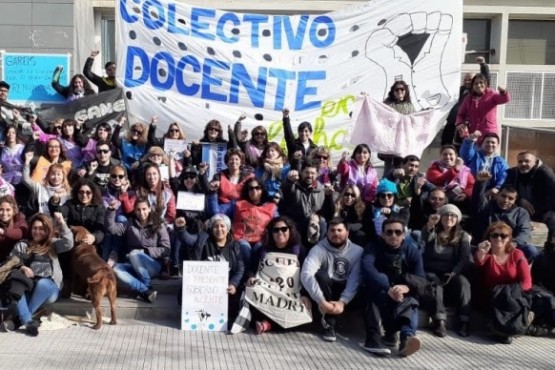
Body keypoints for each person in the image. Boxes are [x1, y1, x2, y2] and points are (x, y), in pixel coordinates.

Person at [361, 218, 424, 357]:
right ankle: (380, 337)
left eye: (397, 232)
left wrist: (406, 287)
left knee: (412, 301)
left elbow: (421, 279)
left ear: (404, 234)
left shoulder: (412, 251)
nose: (393, 235)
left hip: (402, 295)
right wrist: (388, 288)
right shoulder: (373, 247)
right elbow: (367, 268)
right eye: (389, 232)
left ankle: (406, 339)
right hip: (380, 292)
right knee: (372, 288)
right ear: (382, 234)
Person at [4, 213, 73, 336]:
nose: (37, 231)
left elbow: (68, 243)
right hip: (28, 289)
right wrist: (22, 267)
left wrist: (62, 222)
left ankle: (19, 320)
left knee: (43, 283)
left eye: (41, 229)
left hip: (49, 290)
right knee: (16, 289)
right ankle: (28, 322)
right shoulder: (22, 245)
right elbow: (10, 262)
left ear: (47, 230)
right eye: (35, 228)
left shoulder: (53, 244)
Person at [300, 217, 363, 342]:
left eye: (340, 230)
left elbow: (355, 279)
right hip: (325, 291)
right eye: (332, 230)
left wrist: (342, 302)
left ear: (347, 233)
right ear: (327, 232)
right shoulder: (318, 249)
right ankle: (328, 322)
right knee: (320, 275)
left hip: (347, 292)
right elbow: (306, 274)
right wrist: (321, 301)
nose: (336, 234)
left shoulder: (358, 251)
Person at [175, 214, 245, 321]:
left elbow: (240, 269)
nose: (219, 229)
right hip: (203, 289)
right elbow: (187, 239)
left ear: (228, 228)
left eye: (222, 226)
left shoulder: (235, 246)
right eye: (216, 226)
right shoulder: (203, 239)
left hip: (224, 290)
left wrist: (233, 284)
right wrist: (181, 228)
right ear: (211, 228)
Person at [246, 216, 309, 334]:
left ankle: (267, 324)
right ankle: (267, 324)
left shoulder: (300, 250)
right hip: (267, 292)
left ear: (290, 230)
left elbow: (306, 275)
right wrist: (251, 277)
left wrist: (305, 294)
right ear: (271, 233)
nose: (280, 232)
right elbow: (252, 268)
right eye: (276, 230)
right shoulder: (262, 249)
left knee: (303, 313)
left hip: (291, 295)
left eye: (284, 229)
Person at [474, 221, 532, 344]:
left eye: (503, 236)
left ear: (509, 238)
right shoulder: (486, 254)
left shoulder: (517, 254)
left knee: (513, 304)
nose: (498, 238)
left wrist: (514, 292)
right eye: (494, 235)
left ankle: (510, 330)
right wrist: (481, 253)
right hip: (491, 294)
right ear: (489, 237)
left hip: (513, 292)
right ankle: (505, 331)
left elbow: (527, 281)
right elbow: (478, 265)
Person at [421, 204, 472, 337]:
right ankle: (440, 321)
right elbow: (424, 237)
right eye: (446, 215)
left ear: (457, 219)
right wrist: (430, 224)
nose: (449, 218)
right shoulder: (434, 232)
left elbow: (464, 258)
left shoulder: (463, 236)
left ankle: (464, 321)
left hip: (452, 272)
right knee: (435, 285)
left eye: (453, 215)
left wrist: (454, 272)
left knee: (464, 283)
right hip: (432, 271)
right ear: (441, 217)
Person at [107, 197, 171, 303]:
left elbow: (166, 249)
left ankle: (147, 284)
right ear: (135, 210)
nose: (141, 212)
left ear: (150, 209)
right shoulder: (129, 223)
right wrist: (111, 211)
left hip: (153, 265)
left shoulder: (158, 225)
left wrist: (146, 252)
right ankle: (145, 291)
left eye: (144, 209)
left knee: (134, 253)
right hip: (134, 264)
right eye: (138, 209)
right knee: (117, 268)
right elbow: (112, 229)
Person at [473, 172, 538, 262]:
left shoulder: (521, 213)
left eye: (510, 198)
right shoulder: (487, 207)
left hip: (510, 247)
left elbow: (524, 232)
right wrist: (480, 183)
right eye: (503, 196)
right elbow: (477, 199)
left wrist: (513, 244)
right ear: (497, 195)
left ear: (515, 200)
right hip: (488, 245)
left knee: (531, 250)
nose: (505, 200)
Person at [505, 151, 555, 240]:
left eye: (527, 161)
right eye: (520, 162)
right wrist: (520, 199)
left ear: (535, 162)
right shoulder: (513, 173)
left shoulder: (545, 172)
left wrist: (538, 208)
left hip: (544, 209)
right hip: (521, 208)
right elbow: (506, 190)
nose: (523, 164)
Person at [280, 162, 328, 245]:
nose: (309, 176)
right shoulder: (294, 185)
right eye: (307, 172)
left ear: (317, 175)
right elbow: (285, 189)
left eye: (312, 173)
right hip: (295, 223)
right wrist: (289, 180)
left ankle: (318, 248)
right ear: (301, 172)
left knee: (323, 222)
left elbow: (324, 211)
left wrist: (317, 217)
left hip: (313, 224)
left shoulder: (321, 190)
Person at [456, 73, 510, 140]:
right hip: (473, 132)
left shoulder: (492, 94)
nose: (479, 85)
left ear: (486, 84)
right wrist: (459, 123)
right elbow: (461, 114)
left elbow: (505, 99)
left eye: (481, 82)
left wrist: (503, 91)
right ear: (472, 86)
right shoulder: (468, 98)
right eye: (476, 83)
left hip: (489, 132)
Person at [380, 81, 416, 174]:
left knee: (403, 168)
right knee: (390, 170)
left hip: (404, 143)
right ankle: (387, 187)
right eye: (397, 89)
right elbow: (378, 114)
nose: (399, 91)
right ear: (393, 92)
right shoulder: (387, 104)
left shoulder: (409, 105)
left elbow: (415, 120)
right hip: (391, 143)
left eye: (402, 89)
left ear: (406, 91)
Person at [426, 145, 474, 211]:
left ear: (456, 156)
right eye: (445, 154)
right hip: (439, 199)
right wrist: (455, 168)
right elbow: (439, 180)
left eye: (451, 154)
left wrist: (465, 194)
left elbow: (471, 186)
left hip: (458, 199)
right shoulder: (434, 167)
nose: (448, 157)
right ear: (441, 156)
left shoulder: (464, 169)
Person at [442, 72, 474, 147]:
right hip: (451, 123)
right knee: (445, 145)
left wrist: (483, 65)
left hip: (463, 126)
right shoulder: (460, 90)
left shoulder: (475, 93)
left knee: (459, 148)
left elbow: (486, 78)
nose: (467, 81)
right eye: (465, 79)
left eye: (470, 80)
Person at [0, 195, 28, 262]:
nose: (4, 213)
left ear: (13, 211)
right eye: (1, 209)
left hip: (15, 260)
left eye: (8, 210)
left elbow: (21, 232)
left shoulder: (19, 219)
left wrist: (3, 232)